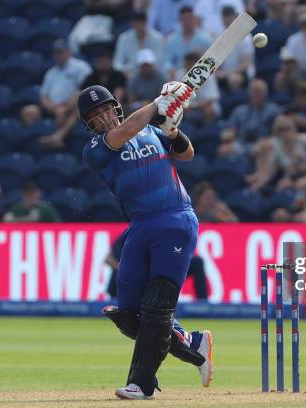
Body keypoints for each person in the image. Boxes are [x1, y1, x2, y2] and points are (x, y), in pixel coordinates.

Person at [78, 81, 212, 399]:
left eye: (108, 108)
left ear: (117, 107)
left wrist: (172, 129)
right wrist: (159, 103)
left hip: (175, 218)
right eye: (97, 115)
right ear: (90, 124)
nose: (105, 116)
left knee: (157, 305)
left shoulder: (150, 131)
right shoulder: (97, 149)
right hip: (139, 226)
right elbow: (125, 132)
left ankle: (142, 384)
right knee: (128, 314)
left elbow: (188, 154)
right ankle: (193, 345)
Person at [39, 39, 92, 148]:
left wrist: (65, 107)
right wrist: (52, 107)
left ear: (68, 52)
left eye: (61, 52)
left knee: (76, 109)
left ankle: (58, 137)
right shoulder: (51, 72)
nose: (58, 55)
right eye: (56, 52)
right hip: (53, 107)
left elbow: (84, 90)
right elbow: (43, 96)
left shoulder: (81, 67)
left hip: (73, 105)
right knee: (29, 111)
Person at [218, 79, 281, 157]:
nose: (256, 94)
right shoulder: (239, 111)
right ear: (249, 93)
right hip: (242, 143)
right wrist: (229, 135)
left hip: (263, 142)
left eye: (259, 91)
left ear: (265, 93)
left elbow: (279, 131)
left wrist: (267, 140)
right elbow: (231, 130)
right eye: (254, 91)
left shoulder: (273, 110)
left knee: (267, 147)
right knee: (223, 149)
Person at [163, 6, 211, 79]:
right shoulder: (172, 40)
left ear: (194, 19)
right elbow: (167, 62)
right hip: (178, 76)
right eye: (185, 19)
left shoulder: (204, 39)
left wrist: (200, 55)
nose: (187, 22)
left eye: (190, 18)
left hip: (200, 76)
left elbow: (210, 62)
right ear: (180, 20)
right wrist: (171, 69)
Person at [113, 11, 165, 77]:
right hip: (129, 74)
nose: (139, 26)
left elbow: (160, 61)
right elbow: (117, 63)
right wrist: (125, 72)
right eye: (136, 23)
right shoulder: (124, 38)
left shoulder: (157, 38)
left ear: (146, 23)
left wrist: (147, 70)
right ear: (132, 24)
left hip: (151, 73)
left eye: (141, 23)